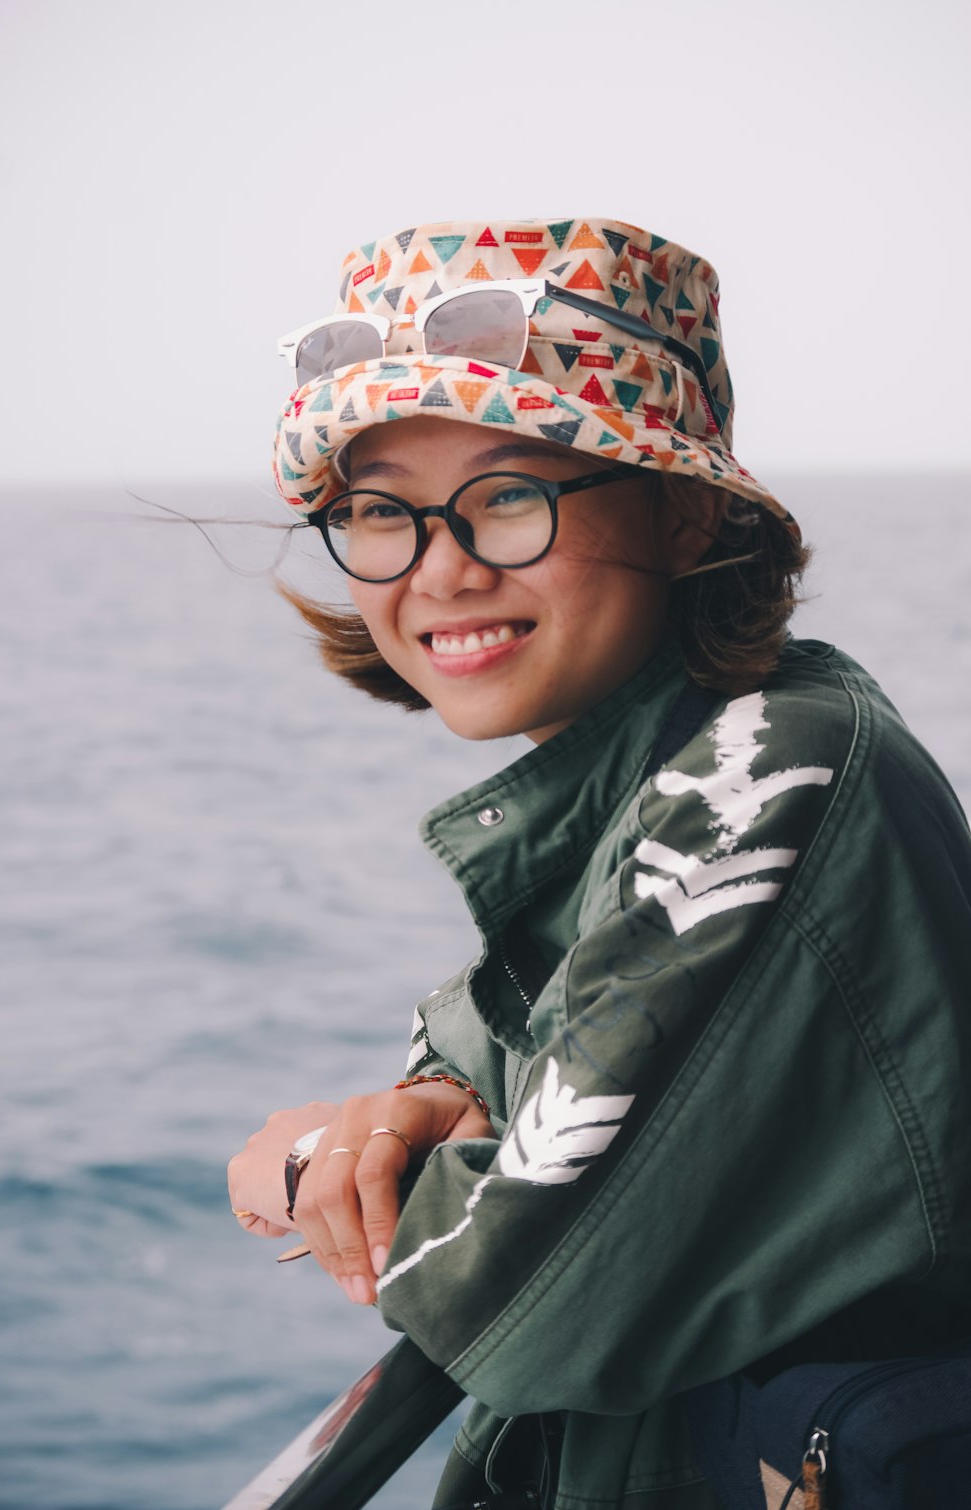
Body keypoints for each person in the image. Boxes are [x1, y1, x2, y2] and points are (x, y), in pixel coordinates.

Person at [227, 218, 971, 1509]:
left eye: (511, 493)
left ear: (684, 512)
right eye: (380, 513)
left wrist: (304, 1163)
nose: (440, 567)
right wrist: (429, 1096)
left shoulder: (768, 774)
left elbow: (516, 1280)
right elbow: (545, 1035)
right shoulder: (663, 758)